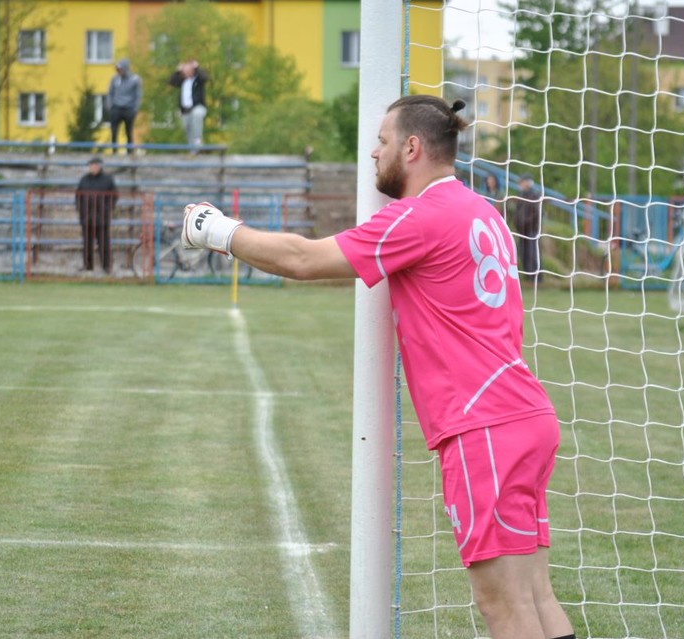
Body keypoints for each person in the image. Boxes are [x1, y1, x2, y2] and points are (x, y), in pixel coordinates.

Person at [180, 95, 575, 639]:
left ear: (412, 148)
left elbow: (302, 258)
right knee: (534, 595)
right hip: (523, 417)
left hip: (484, 426)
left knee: (504, 607)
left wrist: (215, 230)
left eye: (384, 142)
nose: (374, 152)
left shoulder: (421, 216)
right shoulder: (481, 209)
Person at [75, 157, 118, 274]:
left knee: (104, 243)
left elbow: (114, 196)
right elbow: (78, 196)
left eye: (95, 165)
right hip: (87, 217)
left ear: (100, 166)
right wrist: (81, 209)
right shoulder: (84, 180)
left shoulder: (108, 180)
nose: (93, 167)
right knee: (87, 243)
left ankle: (106, 267)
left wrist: (107, 208)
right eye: (91, 165)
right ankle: (87, 266)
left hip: (102, 218)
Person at [168, 60, 209, 151]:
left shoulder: (198, 80)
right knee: (187, 128)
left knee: (197, 116)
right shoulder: (182, 81)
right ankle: (193, 150)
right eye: (185, 72)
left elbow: (205, 77)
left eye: (188, 71)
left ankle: (198, 139)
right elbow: (171, 82)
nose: (186, 73)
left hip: (198, 106)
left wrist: (197, 68)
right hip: (185, 109)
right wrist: (177, 71)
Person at [510, 173, 543, 281]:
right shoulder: (521, 195)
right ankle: (528, 277)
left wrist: (526, 223)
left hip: (531, 230)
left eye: (522, 182)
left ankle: (536, 278)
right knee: (524, 254)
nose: (520, 184)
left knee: (533, 254)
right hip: (522, 231)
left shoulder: (534, 196)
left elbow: (536, 214)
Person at [106, 59, 142, 154]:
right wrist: (110, 105)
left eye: (120, 69)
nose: (118, 71)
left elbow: (138, 95)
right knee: (114, 131)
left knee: (128, 131)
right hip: (116, 108)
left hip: (129, 109)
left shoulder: (135, 79)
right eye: (117, 69)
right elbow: (110, 93)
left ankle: (129, 152)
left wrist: (135, 109)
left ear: (126, 69)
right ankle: (114, 151)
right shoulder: (114, 79)